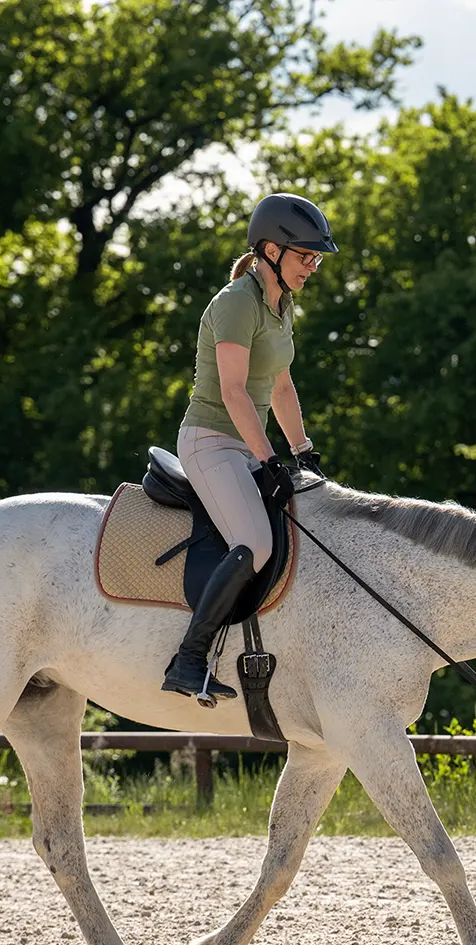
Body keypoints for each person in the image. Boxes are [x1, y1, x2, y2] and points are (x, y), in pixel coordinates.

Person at [162, 192, 336, 703]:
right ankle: (188, 661)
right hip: (211, 440)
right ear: (270, 250)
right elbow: (235, 392)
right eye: (306, 255)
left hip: (245, 445)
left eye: (316, 257)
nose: (313, 265)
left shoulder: (280, 307)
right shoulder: (237, 302)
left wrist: (302, 451)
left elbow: (281, 388)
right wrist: (267, 459)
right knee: (256, 543)